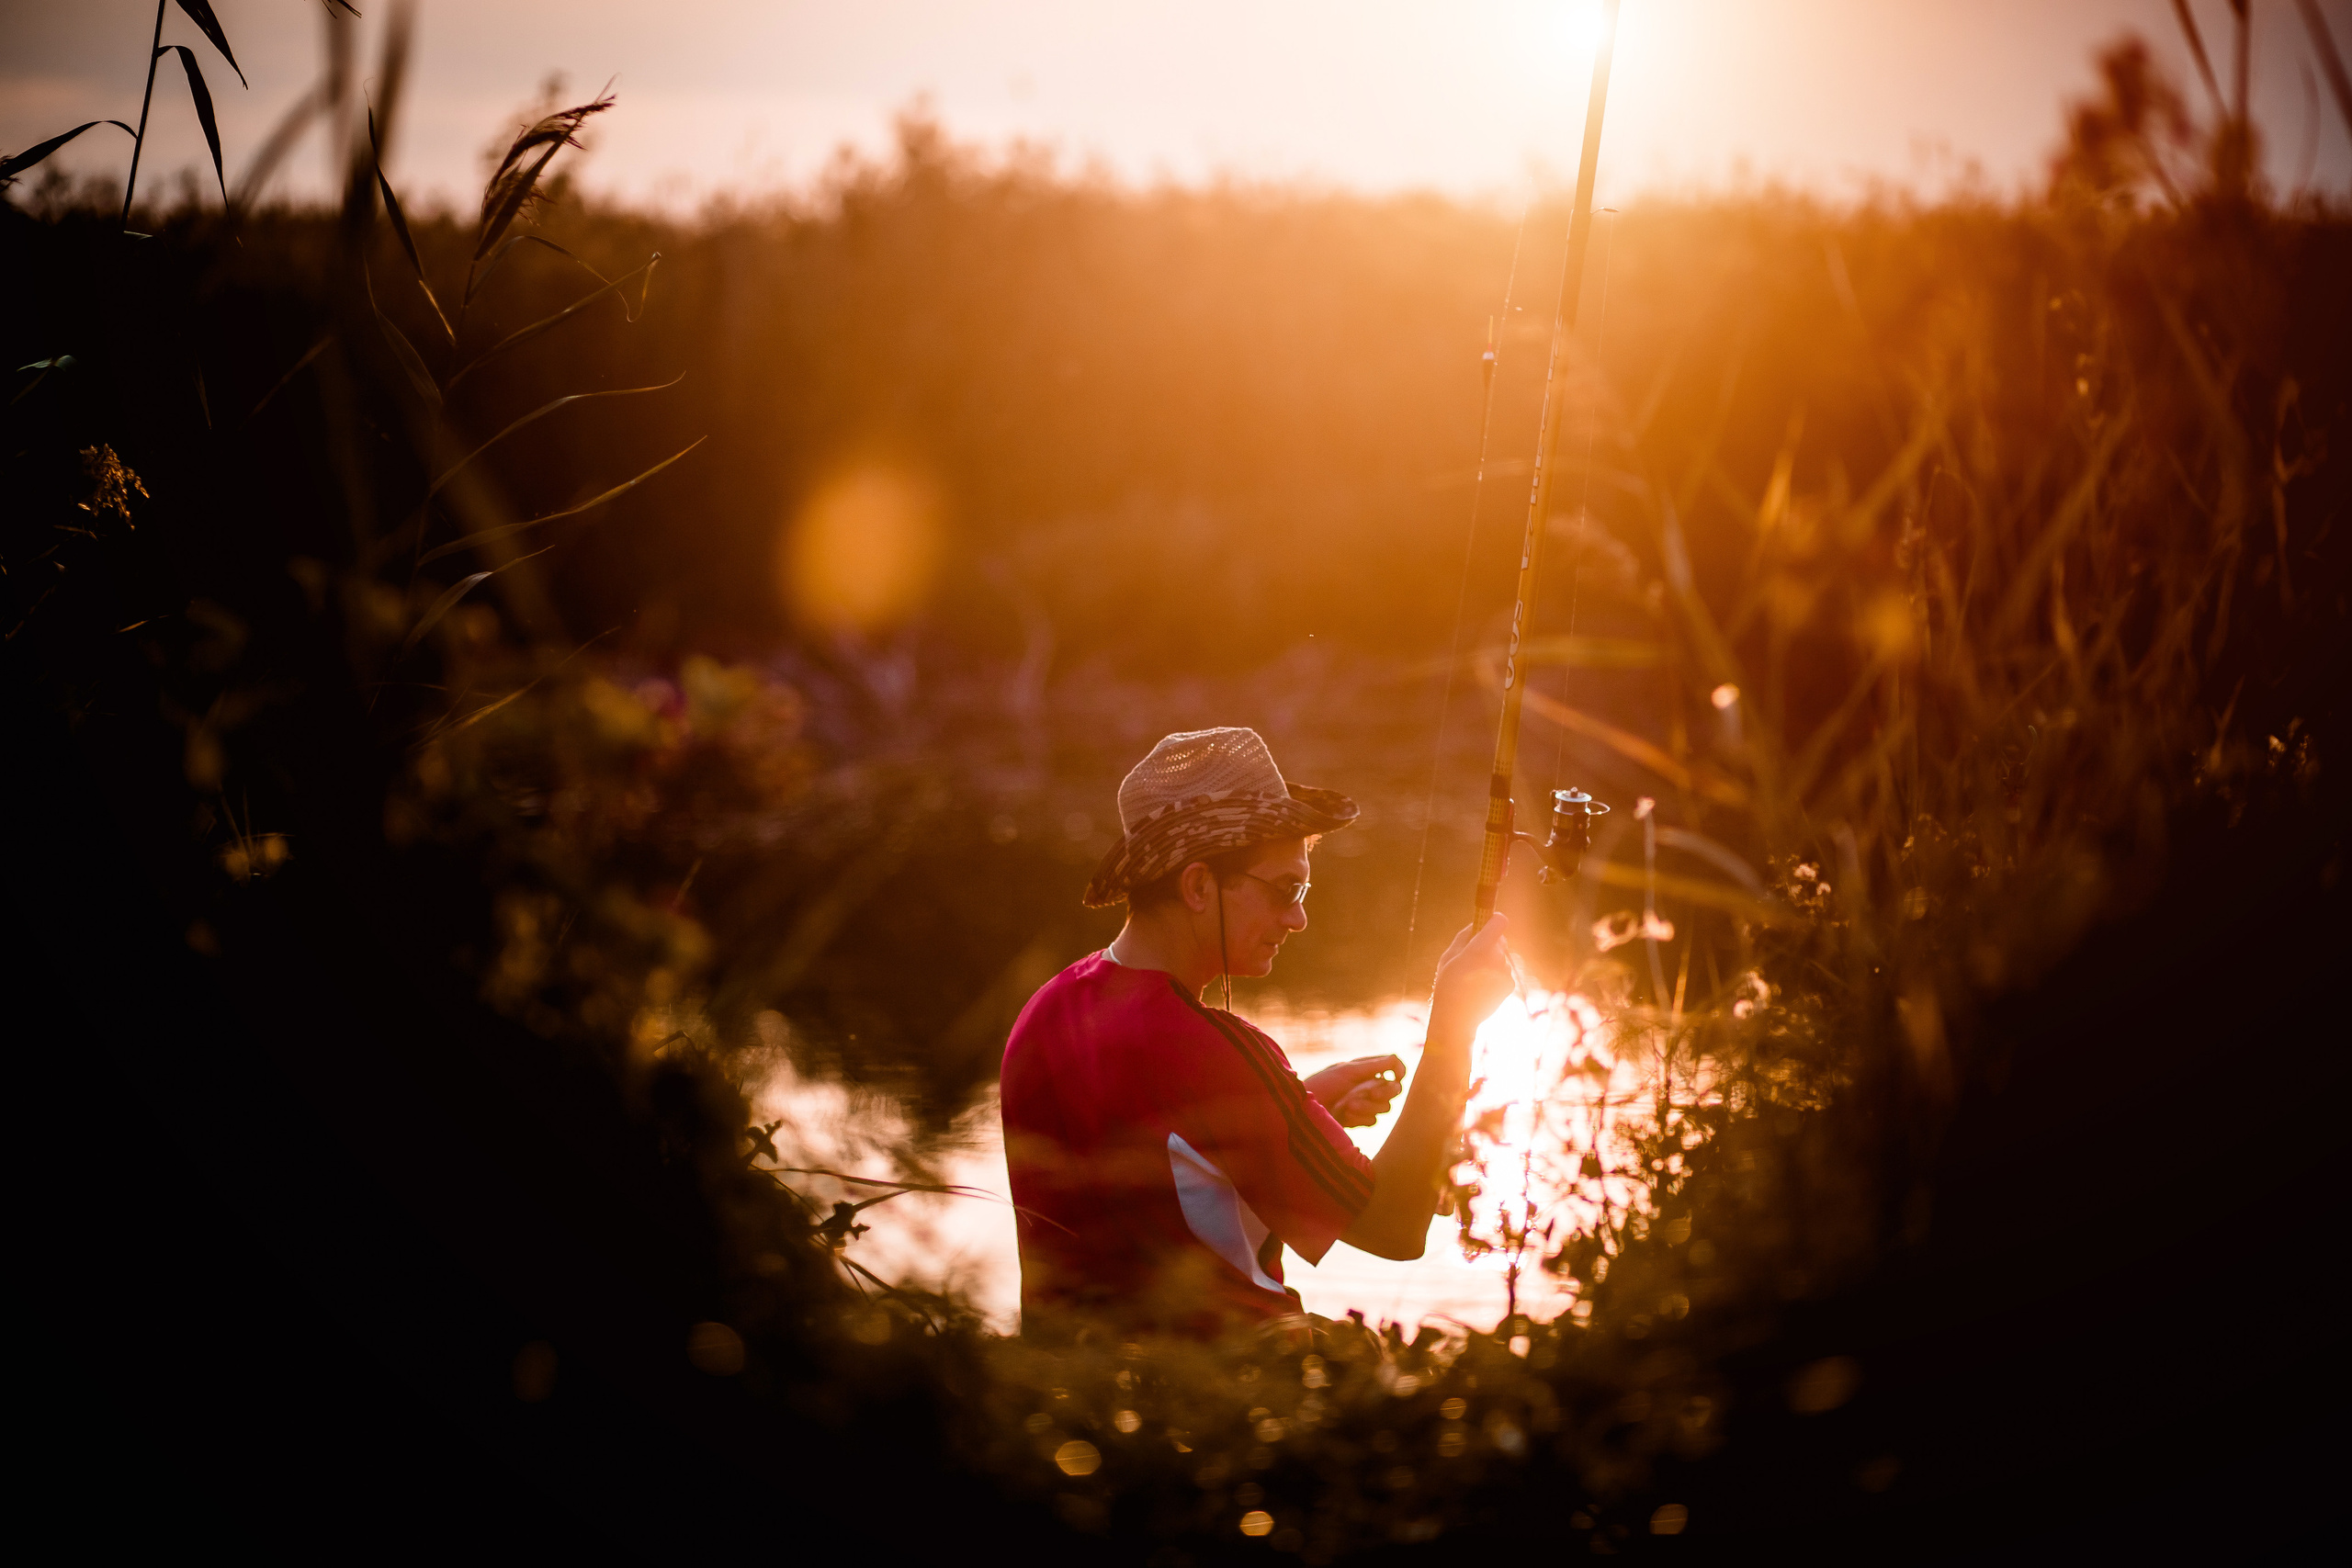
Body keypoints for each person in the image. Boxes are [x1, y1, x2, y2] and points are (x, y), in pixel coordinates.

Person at [1000, 727, 1514, 1336]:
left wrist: (1299, 1102)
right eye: (1284, 889)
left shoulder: (1047, 1010)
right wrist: (1453, 1028)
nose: (1297, 917)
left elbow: (1148, 1181)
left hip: (1074, 1388)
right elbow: (1395, 1227)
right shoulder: (1213, 1049)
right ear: (1197, 886)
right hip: (1221, 1392)